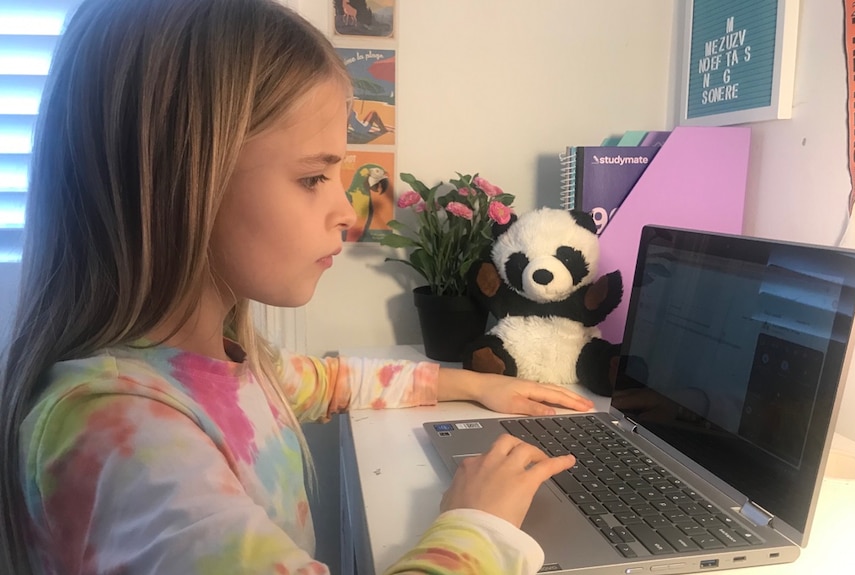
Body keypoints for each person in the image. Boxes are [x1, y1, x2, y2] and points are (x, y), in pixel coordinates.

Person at [0, 1, 595, 574]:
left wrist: (473, 385)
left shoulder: (228, 364)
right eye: (313, 176)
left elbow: (330, 382)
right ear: (179, 183)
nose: (346, 209)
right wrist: (478, 525)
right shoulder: (121, 438)